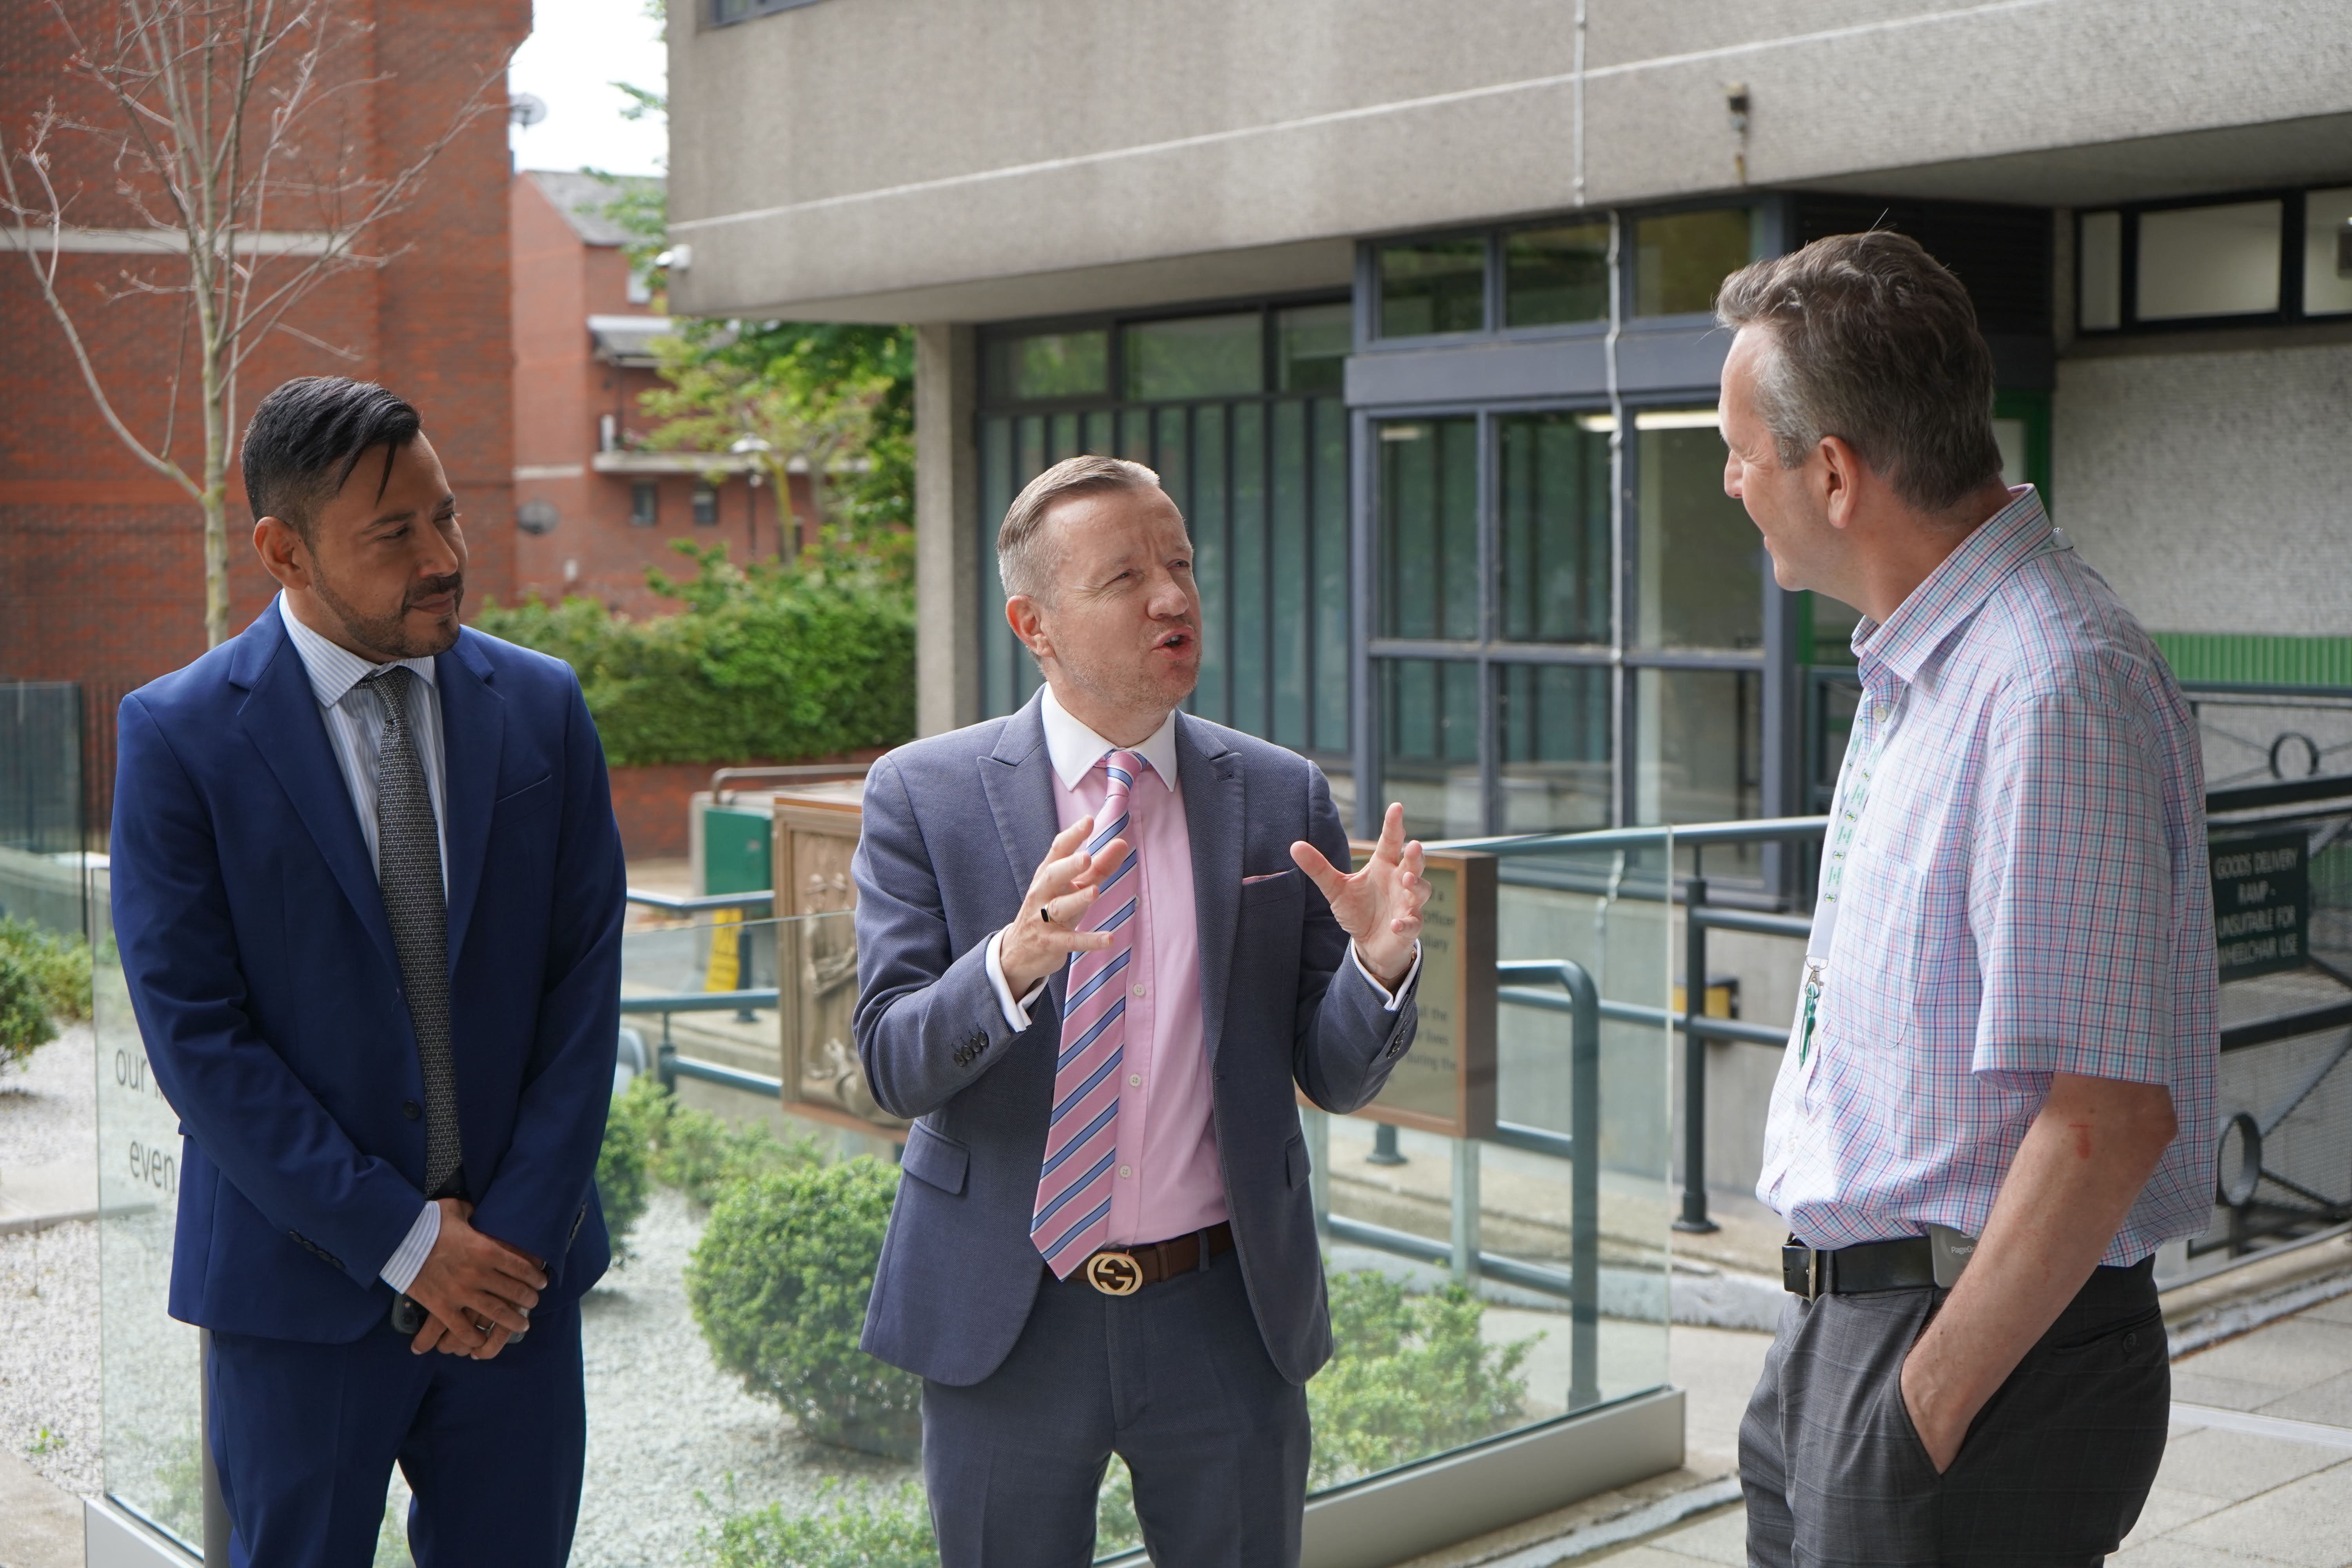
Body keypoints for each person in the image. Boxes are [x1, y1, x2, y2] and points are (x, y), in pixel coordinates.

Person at [1716, 233, 2217, 1565]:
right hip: (1857, 1333)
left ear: (1831, 474)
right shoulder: (1927, 669)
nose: (1729, 483)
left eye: (1740, 454)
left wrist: (1921, 1410)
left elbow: (2106, 1119)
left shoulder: (2052, 685)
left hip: (1968, 1364)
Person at [851, 454, 1430, 1566]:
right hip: (1006, 1316)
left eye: (1180, 564)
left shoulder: (1278, 795)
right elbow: (890, 1063)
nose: (1172, 597)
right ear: (1037, 624)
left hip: (1224, 1310)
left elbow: (1334, 1073)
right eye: (1124, 578)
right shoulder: (924, 795)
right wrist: (1012, 965)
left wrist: (1378, 967)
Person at [110, 377, 627, 1566]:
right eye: (395, 534)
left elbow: (581, 988)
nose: (444, 555)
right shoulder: (181, 737)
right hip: (296, 1300)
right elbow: (199, 1039)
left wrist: (512, 1248)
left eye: (446, 516)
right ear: (282, 550)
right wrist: (406, 1241)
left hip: (518, 1297)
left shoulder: (542, 709)